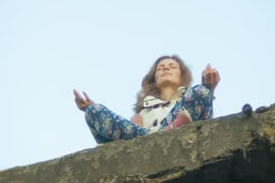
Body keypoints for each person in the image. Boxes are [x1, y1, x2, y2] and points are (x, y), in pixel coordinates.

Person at [73, 55, 220, 144]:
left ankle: (164, 134)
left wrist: (209, 88)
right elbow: (130, 130)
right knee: (93, 110)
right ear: (154, 78)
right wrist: (91, 109)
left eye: (172, 67)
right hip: (143, 138)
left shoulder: (189, 99)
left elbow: (205, 116)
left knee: (202, 91)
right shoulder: (143, 112)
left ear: (182, 76)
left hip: (181, 136)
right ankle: (155, 137)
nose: (165, 69)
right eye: (160, 68)